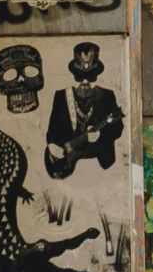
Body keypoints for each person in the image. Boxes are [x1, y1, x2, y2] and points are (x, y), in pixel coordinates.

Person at [43, 42, 124, 178]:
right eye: (81, 75)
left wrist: (101, 135)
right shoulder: (61, 96)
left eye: (90, 75)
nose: (85, 81)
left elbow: (118, 128)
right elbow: (53, 129)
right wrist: (51, 144)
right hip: (68, 162)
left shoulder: (107, 95)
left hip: (99, 166)